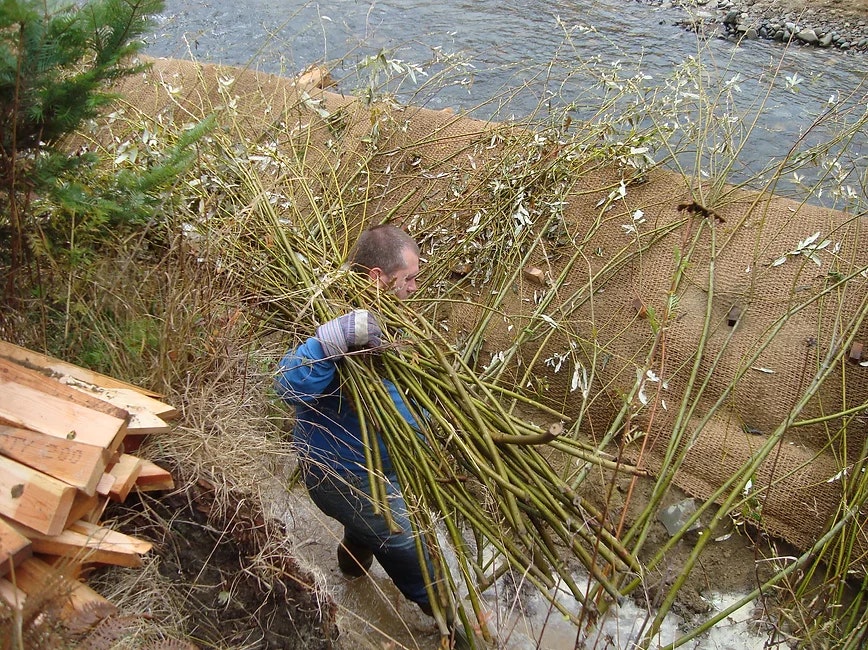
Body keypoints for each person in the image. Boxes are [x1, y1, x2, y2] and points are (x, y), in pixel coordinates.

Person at [273, 224, 434, 616]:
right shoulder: (337, 321)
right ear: (377, 277)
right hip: (347, 477)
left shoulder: (387, 319)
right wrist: (331, 340)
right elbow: (287, 385)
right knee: (416, 560)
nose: (414, 287)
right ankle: (459, 624)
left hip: (379, 470)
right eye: (408, 279)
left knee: (361, 536)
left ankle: (350, 578)